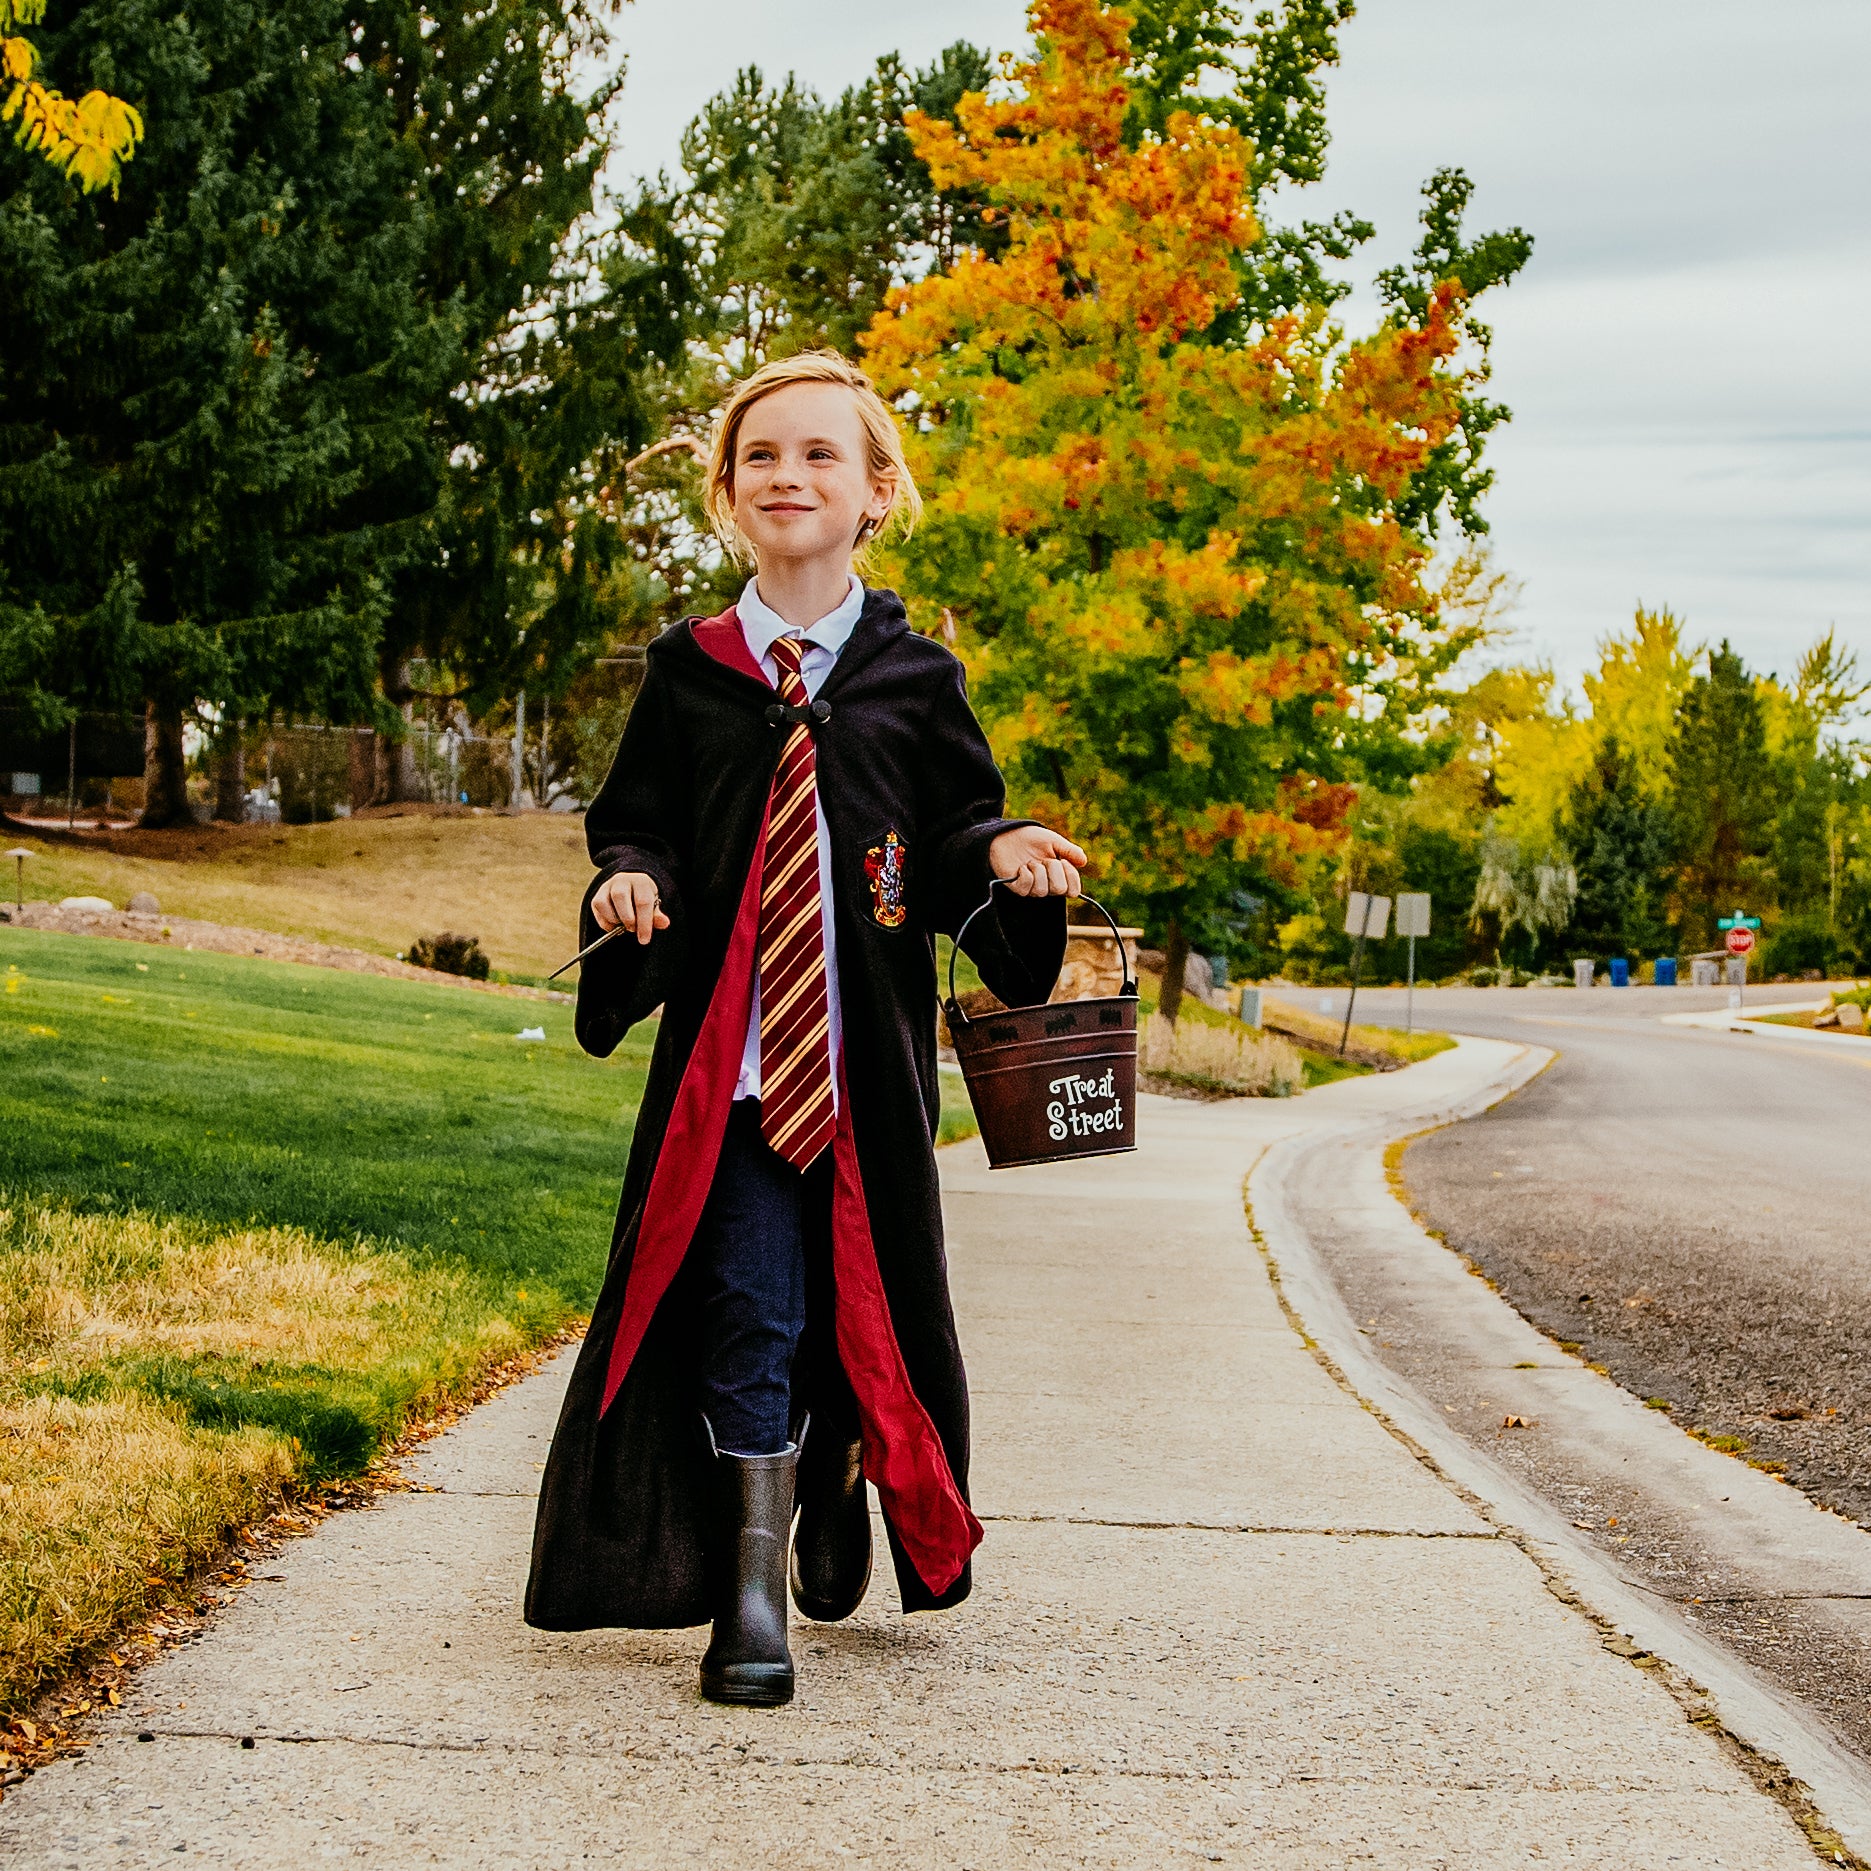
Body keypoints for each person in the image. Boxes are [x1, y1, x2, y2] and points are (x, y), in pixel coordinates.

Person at [524, 350, 1086, 1707]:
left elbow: (953, 829)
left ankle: (832, 1480)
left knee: (869, 1319)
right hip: (734, 1078)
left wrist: (1006, 855)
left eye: (823, 454)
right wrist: (630, 877)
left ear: (876, 489)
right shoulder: (692, 672)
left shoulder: (913, 677)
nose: (792, 476)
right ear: (725, 493)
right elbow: (638, 817)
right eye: (763, 456)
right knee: (749, 1310)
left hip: (863, 1084)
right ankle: (752, 1600)